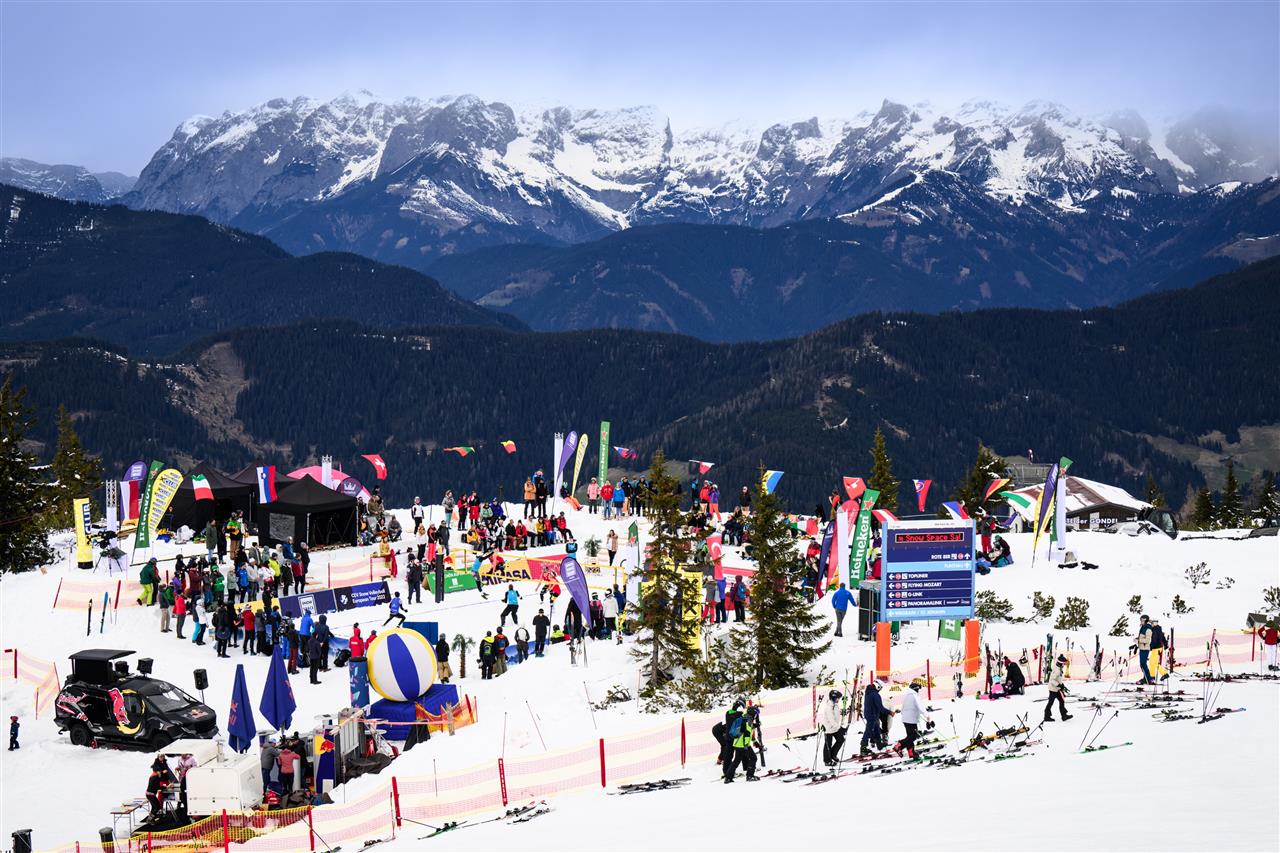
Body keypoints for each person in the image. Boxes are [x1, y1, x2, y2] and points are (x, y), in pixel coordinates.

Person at [724, 704, 760, 783]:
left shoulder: (743, 718)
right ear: (753, 713)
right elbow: (746, 734)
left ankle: (728, 778)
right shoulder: (748, 721)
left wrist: (754, 725)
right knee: (753, 758)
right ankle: (750, 776)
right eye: (756, 714)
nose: (756, 716)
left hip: (737, 744)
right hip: (743, 745)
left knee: (736, 761)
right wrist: (746, 746)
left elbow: (743, 730)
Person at [895, 681, 928, 758]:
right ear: (915, 689)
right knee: (913, 736)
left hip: (906, 719)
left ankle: (911, 752)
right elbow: (921, 708)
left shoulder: (907, 696)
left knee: (910, 736)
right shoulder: (915, 696)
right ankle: (898, 746)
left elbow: (903, 708)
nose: (918, 691)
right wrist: (928, 718)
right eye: (918, 689)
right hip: (911, 720)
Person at [817, 690, 847, 766]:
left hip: (834, 727)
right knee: (828, 744)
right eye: (837, 698)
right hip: (828, 728)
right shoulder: (829, 707)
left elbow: (836, 714)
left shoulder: (835, 705)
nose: (838, 699)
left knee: (841, 739)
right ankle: (827, 761)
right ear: (833, 698)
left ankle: (833, 754)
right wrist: (840, 728)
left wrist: (842, 712)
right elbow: (831, 719)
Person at [861, 678, 890, 755]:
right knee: (868, 731)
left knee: (876, 729)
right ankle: (863, 747)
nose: (880, 690)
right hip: (872, 715)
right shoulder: (875, 695)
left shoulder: (868, 692)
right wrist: (890, 712)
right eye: (880, 688)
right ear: (878, 686)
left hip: (870, 714)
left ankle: (879, 744)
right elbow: (881, 708)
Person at [1043, 654, 1073, 722]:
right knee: (1050, 703)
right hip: (1053, 689)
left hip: (1057, 688)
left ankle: (1064, 716)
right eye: (1064, 663)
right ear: (1060, 663)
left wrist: (1062, 685)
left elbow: (1058, 678)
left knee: (1061, 701)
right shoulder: (1057, 670)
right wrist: (1059, 685)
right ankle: (1046, 717)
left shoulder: (1058, 668)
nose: (1064, 665)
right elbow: (1051, 680)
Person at [714, 699, 744, 766]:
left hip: (721, 730)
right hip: (717, 731)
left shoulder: (732, 715)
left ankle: (722, 759)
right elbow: (728, 729)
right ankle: (721, 760)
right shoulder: (731, 716)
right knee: (725, 745)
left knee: (727, 744)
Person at [1132, 615, 1154, 684]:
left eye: (1141, 620)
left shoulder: (1148, 629)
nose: (1140, 621)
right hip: (1142, 648)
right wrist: (1137, 639)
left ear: (1145, 620)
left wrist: (1139, 640)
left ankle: (1147, 678)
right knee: (1142, 664)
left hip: (1145, 648)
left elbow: (1148, 640)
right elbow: (1143, 637)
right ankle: (1147, 678)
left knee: (1143, 664)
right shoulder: (1143, 628)